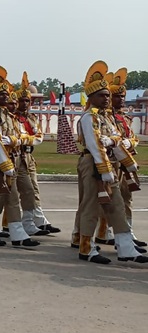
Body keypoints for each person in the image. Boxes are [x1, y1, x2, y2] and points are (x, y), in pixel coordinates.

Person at [72, 60, 145, 264]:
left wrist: (128, 164)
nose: (106, 98)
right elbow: (95, 146)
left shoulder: (108, 118)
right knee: (91, 207)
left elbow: (117, 141)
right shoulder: (88, 118)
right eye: (102, 95)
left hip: (109, 165)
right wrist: (104, 170)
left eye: (107, 95)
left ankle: (126, 248)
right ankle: (86, 248)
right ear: (92, 97)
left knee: (117, 206)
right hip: (94, 165)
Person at [0, 66, 38, 247]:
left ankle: (17, 232)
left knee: (12, 198)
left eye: (6, 94)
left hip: (14, 160)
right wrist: (6, 165)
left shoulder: (11, 118)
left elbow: (23, 137)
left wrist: (14, 141)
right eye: (1, 95)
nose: (6, 96)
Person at [11, 73, 59, 236]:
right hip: (17, 156)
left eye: (27, 101)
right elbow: (21, 138)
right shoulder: (13, 119)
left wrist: (26, 139)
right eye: (22, 100)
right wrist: (28, 139)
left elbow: (39, 137)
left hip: (29, 157)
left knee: (33, 190)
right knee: (18, 192)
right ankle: (18, 223)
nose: (25, 104)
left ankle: (37, 219)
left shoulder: (31, 118)